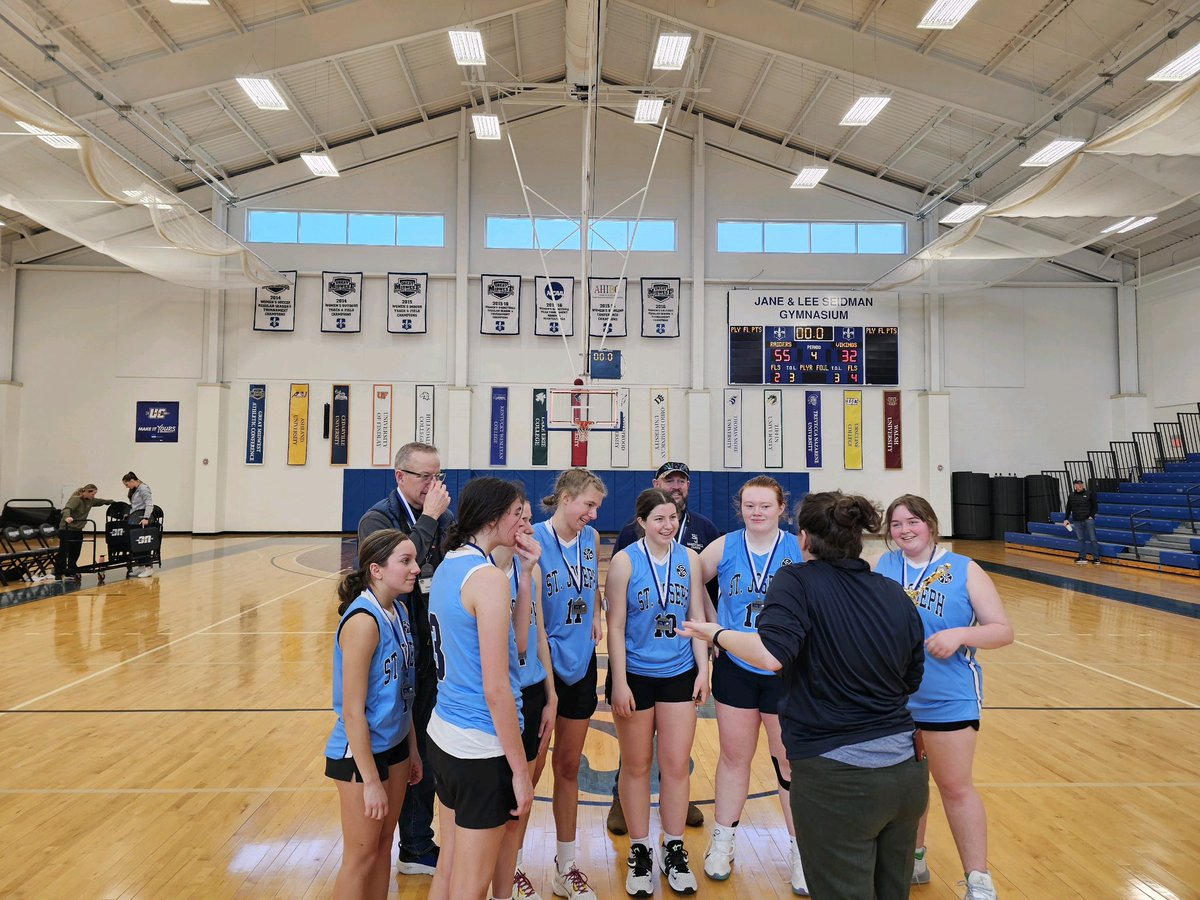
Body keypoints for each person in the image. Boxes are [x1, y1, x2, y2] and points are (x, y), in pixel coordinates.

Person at [681, 491, 929, 900]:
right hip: (904, 773)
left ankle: (799, 851)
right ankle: (726, 840)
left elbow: (772, 655)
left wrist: (717, 633)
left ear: (803, 538)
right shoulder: (892, 592)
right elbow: (911, 678)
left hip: (840, 776)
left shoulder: (796, 579)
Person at [877, 495, 1015, 900]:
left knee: (954, 787)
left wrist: (962, 635)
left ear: (931, 524)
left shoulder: (964, 569)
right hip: (893, 699)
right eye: (896, 524)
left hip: (947, 698)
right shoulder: (883, 566)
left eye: (912, 521)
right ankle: (914, 858)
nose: (904, 530)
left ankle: (978, 880)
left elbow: (1002, 631)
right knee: (906, 789)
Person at [697, 475, 807, 893]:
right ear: (739, 508)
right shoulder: (724, 546)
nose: (756, 512)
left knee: (788, 762)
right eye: (749, 506)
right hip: (738, 666)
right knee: (733, 757)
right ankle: (723, 840)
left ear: (782, 508)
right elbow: (690, 575)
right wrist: (710, 621)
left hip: (786, 668)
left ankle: (801, 850)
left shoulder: (799, 547)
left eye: (765, 505)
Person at [426, 477, 534, 900]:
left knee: (448, 873)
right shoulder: (487, 578)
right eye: (515, 514)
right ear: (493, 518)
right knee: (471, 887)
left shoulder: (449, 563)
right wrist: (521, 771)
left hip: (445, 735)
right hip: (480, 748)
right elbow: (496, 688)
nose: (521, 522)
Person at [605, 488, 709, 896]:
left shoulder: (691, 559)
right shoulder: (624, 562)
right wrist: (619, 680)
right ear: (641, 521)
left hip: (680, 671)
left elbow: (697, 617)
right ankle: (640, 849)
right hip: (636, 673)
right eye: (659, 519)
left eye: (673, 518)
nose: (668, 526)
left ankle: (674, 846)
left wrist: (704, 670)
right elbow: (614, 626)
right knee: (635, 765)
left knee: (676, 764)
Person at [356, 442, 454, 876]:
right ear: (400, 477)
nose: (434, 486)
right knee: (398, 750)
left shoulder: (445, 518)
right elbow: (400, 568)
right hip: (395, 650)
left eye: (439, 477)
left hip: (431, 649)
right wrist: (431, 520)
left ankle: (416, 844)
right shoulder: (377, 519)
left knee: (426, 753)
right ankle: (388, 842)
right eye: (424, 477)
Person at [325, 529, 423, 900]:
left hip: (395, 745)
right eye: (405, 561)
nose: (415, 568)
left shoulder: (396, 610)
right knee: (360, 858)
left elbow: (404, 691)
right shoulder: (364, 621)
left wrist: (412, 748)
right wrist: (369, 781)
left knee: (384, 847)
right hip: (360, 756)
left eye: (413, 560)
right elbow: (352, 711)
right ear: (376, 570)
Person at [531, 468, 607, 900]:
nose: (594, 515)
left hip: (582, 666)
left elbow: (590, 583)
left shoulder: (591, 540)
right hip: (544, 670)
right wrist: (548, 684)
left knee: (568, 769)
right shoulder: (534, 542)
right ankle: (515, 866)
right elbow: (532, 617)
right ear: (564, 497)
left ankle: (566, 865)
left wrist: (595, 613)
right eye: (587, 505)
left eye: (596, 506)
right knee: (531, 769)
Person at [491, 497, 557, 900]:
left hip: (533, 690)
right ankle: (493, 872)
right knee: (498, 792)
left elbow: (539, 635)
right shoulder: (481, 571)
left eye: (531, 520)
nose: (527, 527)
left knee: (524, 794)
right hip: (499, 695)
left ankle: (512, 867)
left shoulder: (526, 568)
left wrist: (551, 694)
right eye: (520, 518)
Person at [56, 484, 116, 581]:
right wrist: (67, 517)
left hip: (78, 529)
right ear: (87, 492)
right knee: (64, 550)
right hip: (67, 528)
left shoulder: (91, 500)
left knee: (76, 550)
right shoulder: (76, 499)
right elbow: (67, 509)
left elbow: (102, 501)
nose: (94, 496)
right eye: (92, 494)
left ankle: (71, 569)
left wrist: (113, 502)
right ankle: (58, 572)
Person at [121, 472, 156, 578]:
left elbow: (149, 504)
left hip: (141, 519)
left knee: (142, 543)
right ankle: (141, 566)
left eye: (127, 484)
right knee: (135, 543)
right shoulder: (135, 489)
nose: (126, 487)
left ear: (132, 481)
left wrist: (146, 518)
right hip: (134, 518)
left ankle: (148, 567)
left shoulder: (143, 488)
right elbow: (135, 504)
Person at [1063, 479, 1102, 566]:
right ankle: (1082, 557)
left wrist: (1091, 515)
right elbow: (1068, 508)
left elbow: (1095, 506)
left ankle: (1096, 558)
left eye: (1081, 484)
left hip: (1088, 520)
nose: (1080, 485)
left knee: (1093, 539)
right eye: (1078, 484)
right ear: (1074, 486)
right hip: (1077, 520)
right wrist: (1066, 519)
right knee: (1080, 539)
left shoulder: (1089, 494)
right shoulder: (1071, 496)